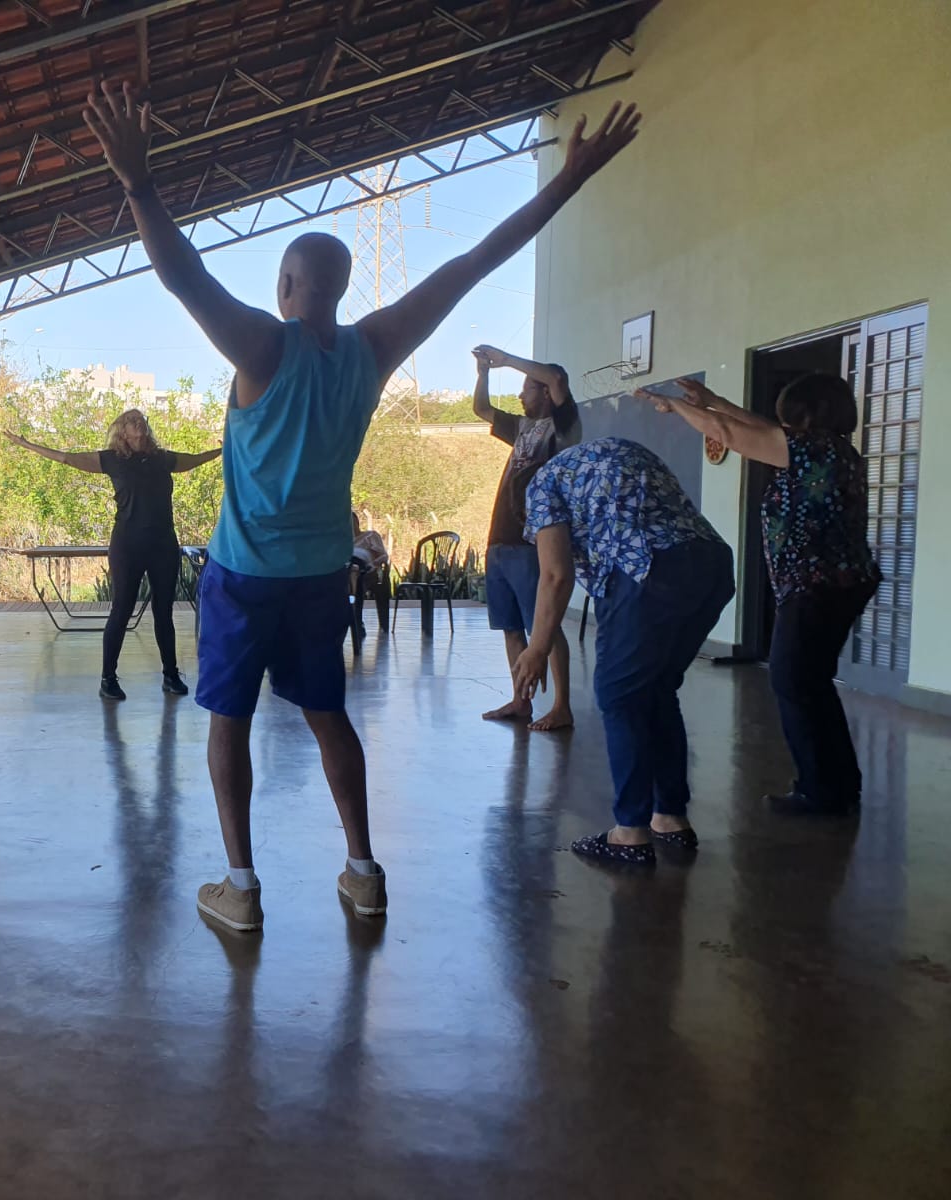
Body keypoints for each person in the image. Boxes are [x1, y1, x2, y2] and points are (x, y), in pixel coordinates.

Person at [83, 80, 641, 929]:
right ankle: (363, 871)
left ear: (285, 283)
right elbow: (470, 265)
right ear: (339, 288)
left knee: (228, 721)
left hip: (243, 574)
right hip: (320, 574)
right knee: (328, 716)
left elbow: (182, 276)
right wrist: (568, 180)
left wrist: (138, 182)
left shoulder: (262, 344)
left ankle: (241, 887)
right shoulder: (372, 348)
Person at [641, 375, 879, 817]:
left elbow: (727, 433)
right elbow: (759, 429)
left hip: (816, 584)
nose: (780, 417)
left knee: (792, 681)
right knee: (810, 682)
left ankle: (820, 791)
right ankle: (838, 784)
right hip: (840, 581)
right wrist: (713, 400)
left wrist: (676, 407)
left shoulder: (811, 450)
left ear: (806, 412)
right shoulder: (830, 448)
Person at [513, 437, 735, 867]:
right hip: (711, 564)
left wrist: (537, 647)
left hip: (646, 568)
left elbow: (555, 574)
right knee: (657, 691)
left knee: (619, 695)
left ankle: (629, 833)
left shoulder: (540, 485)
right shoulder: (601, 455)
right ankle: (669, 817)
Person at [6, 410, 219, 699]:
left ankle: (170, 675)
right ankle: (108, 679)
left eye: (141, 419)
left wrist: (223, 450)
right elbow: (67, 458)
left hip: (163, 544)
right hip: (128, 544)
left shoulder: (163, 459)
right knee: (121, 609)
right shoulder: (112, 460)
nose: (139, 423)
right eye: (132, 421)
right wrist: (28, 445)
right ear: (122, 431)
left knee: (163, 611)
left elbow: (195, 459)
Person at [473, 344, 581, 731]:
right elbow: (482, 410)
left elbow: (556, 375)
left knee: (544, 625)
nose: (520, 395)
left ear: (547, 393)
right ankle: (521, 701)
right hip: (500, 539)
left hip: (534, 543)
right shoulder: (521, 427)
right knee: (510, 626)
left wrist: (505, 359)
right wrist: (484, 373)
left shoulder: (563, 428)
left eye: (527, 389)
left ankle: (562, 706)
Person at [348, 513, 390, 645]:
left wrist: (374, 564)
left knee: (357, 575)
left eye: (351, 521)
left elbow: (384, 556)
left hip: (367, 569)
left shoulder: (370, 535)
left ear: (357, 522)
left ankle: (357, 623)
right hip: (348, 568)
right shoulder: (343, 541)